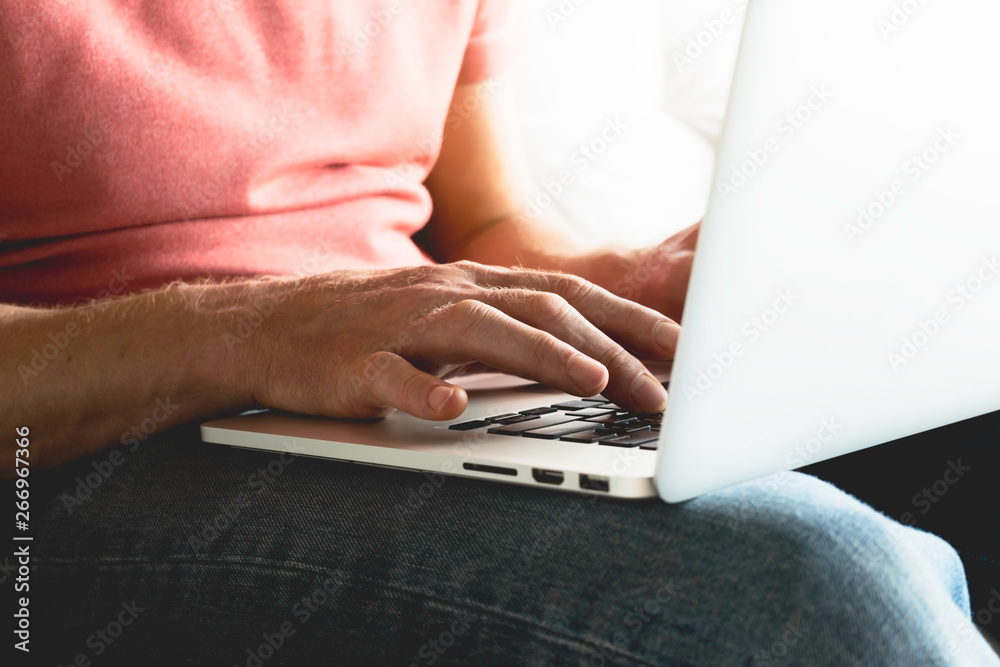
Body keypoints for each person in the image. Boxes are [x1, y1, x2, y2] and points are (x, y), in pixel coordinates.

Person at [1, 1, 997, 664]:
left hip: (398, 394)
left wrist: (624, 286)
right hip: (76, 452)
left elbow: (482, 217)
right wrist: (256, 331)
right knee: (820, 593)